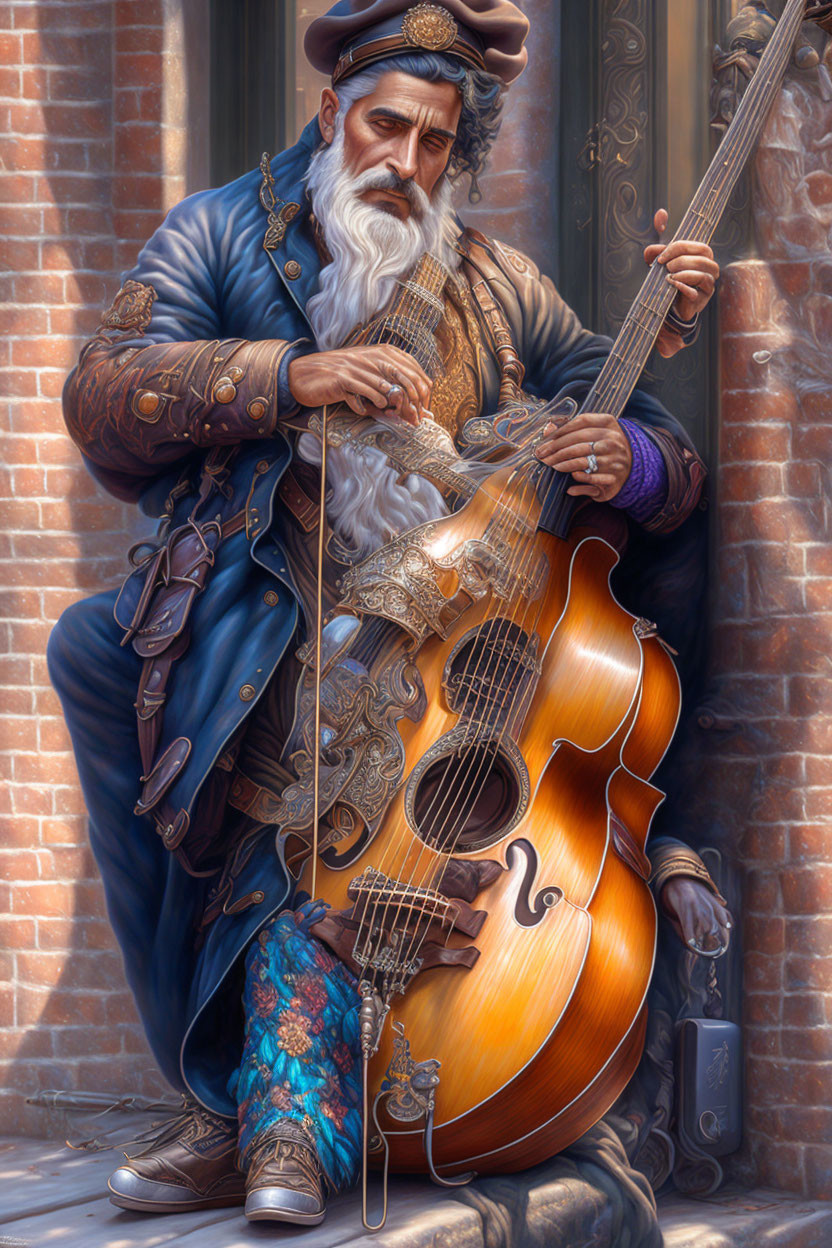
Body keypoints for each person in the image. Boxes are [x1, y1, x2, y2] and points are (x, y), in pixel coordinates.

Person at [48, 0, 731, 1229]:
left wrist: (619, 456)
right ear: (330, 115)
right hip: (261, 610)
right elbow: (102, 395)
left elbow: (654, 451)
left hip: (451, 654)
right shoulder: (218, 235)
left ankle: (283, 1116)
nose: (404, 164)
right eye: (384, 128)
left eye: (433, 142)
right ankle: (232, 1102)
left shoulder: (494, 282)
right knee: (141, 668)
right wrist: (284, 377)